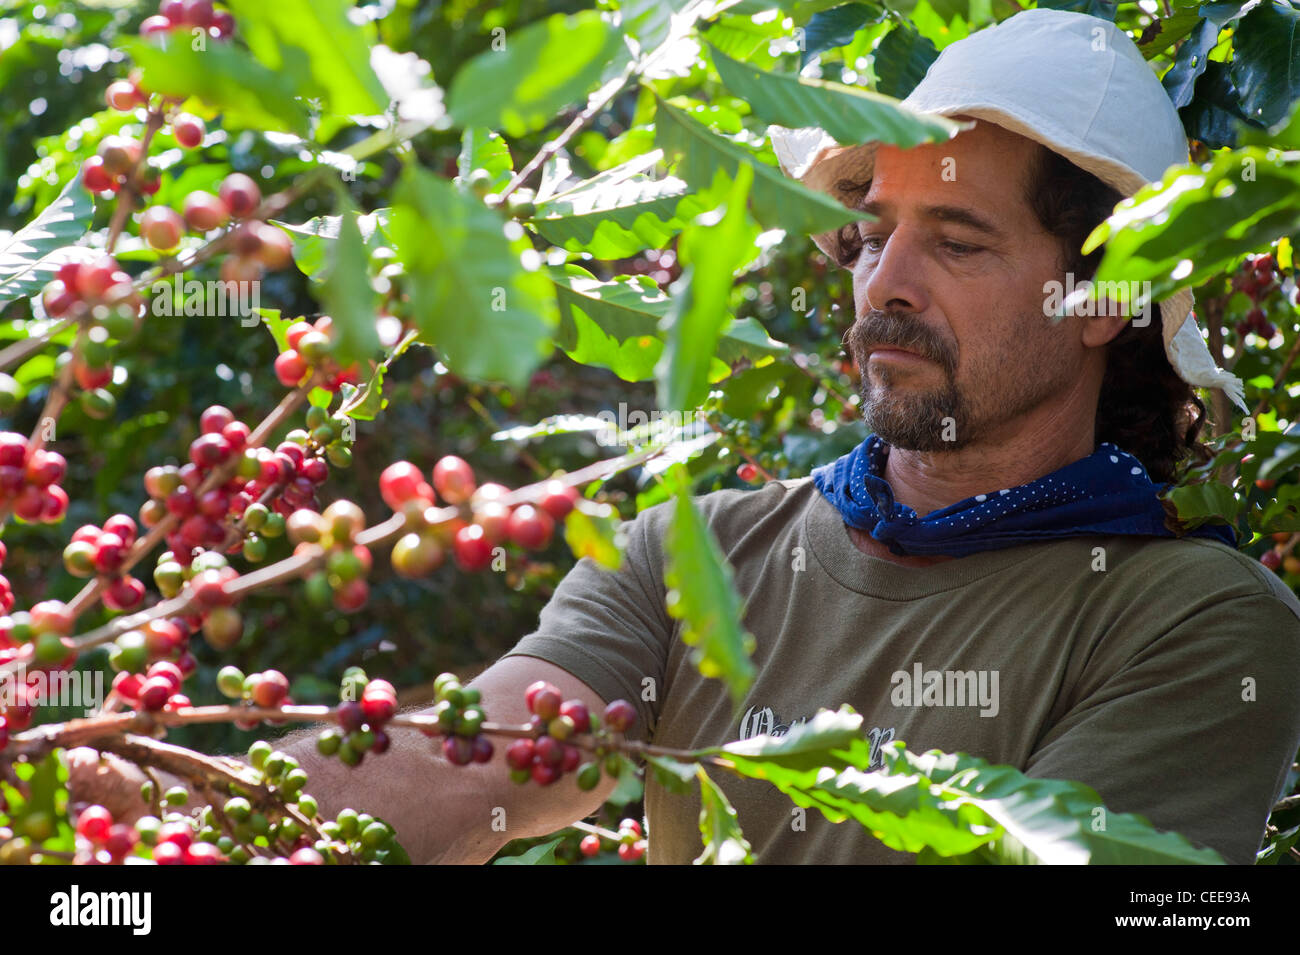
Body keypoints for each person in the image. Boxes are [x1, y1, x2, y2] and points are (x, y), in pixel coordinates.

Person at [71, 8, 1300, 865]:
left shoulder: (1193, 622)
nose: (884, 283)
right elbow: (473, 764)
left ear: (1103, 300)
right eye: (871, 231)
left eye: (960, 241)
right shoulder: (692, 556)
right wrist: (139, 806)